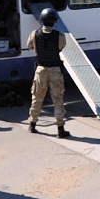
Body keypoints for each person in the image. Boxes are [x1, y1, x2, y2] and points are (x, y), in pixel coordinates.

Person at [27, 8, 71, 138]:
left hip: (40, 70)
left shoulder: (34, 34)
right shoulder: (60, 36)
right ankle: (60, 129)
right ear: (54, 21)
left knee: (37, 98)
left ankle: (32, 124)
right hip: (55, 71)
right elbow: (61, 47)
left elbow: (30, 46)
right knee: (58, 99)